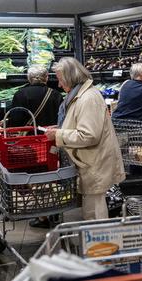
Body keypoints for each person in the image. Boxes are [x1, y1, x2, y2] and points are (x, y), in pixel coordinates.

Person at [45, 57, 126, 220]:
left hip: (95, 162)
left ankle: (102, 244)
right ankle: (96, 243)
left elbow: (89, 135)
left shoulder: (88, 98)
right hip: (89, 161)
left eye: (61, 80)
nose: (59, 85)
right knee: (91, 209)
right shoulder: (78, 95)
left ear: (71, 78)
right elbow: (80, 124)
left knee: (95, 212)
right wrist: (60, 129)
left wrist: (59, 135)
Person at [5, 66, 63, 228]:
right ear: (46, 78)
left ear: (29, 78)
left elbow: (15, 121)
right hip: (50, 143)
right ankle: (54, 210)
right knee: (51, 175)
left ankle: (41, 214)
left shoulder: (21, 94)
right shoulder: (56, 94)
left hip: (29, 147)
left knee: (33, 178)